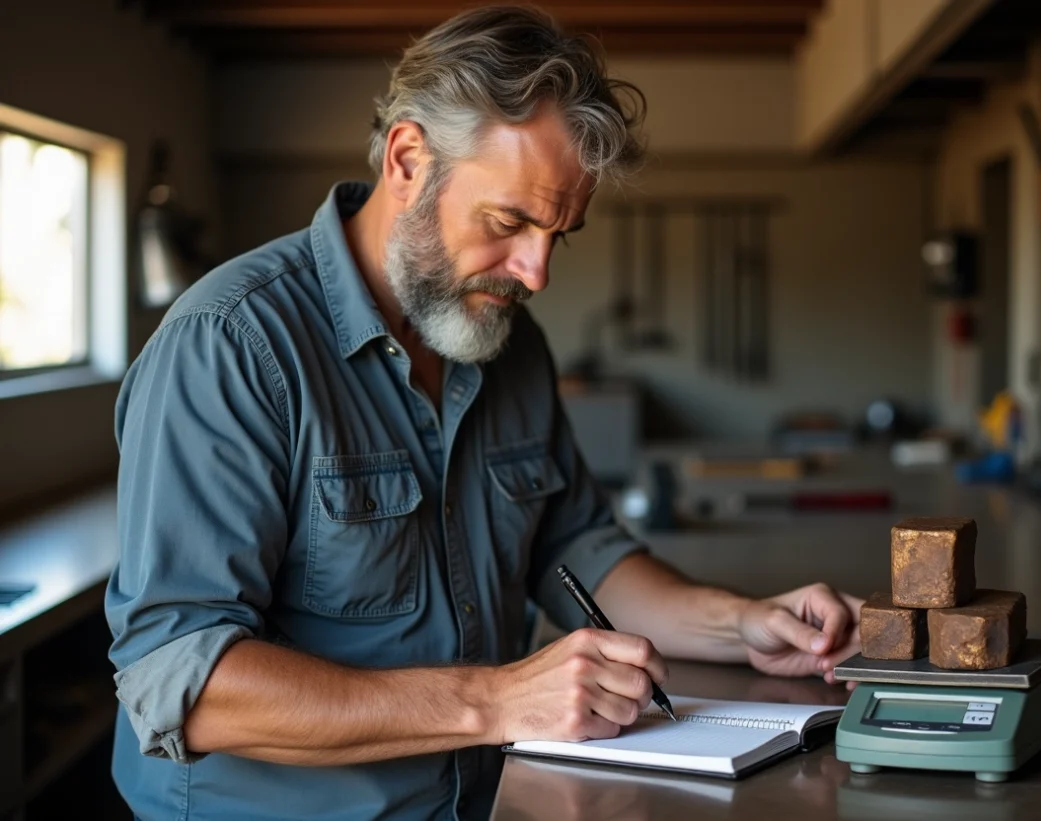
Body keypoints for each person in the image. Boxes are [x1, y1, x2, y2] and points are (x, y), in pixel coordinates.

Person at [105, 6, 863, 820]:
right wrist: (497, 700)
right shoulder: (231, 344)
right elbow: (185, 680)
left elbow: (577, 548)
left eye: (558, 235)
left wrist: (740, 621)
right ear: (407, 159)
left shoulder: (508, 339)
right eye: (509, 222)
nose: (534, 272)